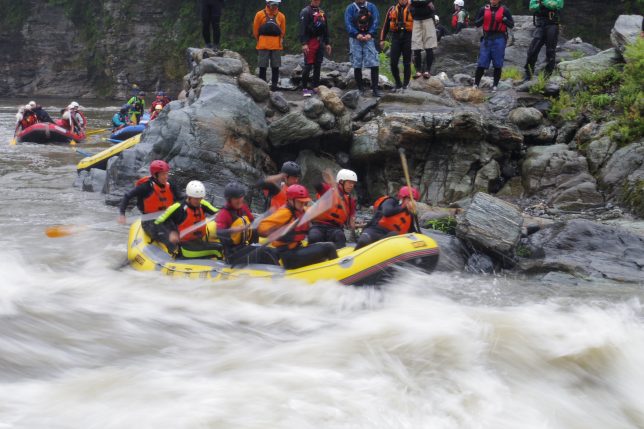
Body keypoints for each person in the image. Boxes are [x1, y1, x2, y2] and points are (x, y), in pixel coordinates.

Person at [258, 184, 338, 270]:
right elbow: (261, 227)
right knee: (329, 247)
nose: (303, 204)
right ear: (291, 200)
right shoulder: (285, 213)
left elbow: (317, 209)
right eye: (300, 201)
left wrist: (330, 196)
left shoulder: (302, 210)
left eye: (304, 201)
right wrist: (280, 229)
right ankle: (338, 273)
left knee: (317, 240)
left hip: (297, 249)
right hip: (288, 257)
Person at [118, 160, 181, 249]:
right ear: (155, 175)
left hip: (166, 218)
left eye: (167, 173)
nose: (166, 177)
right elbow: (127, 196)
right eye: (163, 174)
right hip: (150, 221)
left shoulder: (171, 185)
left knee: (182, 236)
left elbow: (181, 200)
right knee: (171, 240)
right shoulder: (145, 187)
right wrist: (122, 214)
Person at [215, 182, 280, 266]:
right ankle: (279, 277)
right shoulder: (224, 214)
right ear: (229, 200)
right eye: (236, 198)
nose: (240, 200)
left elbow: (253, 223)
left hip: (244, 247)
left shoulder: (243, 207)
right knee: (266, 254)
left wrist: (267, 217)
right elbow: (219, 232)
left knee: (274, 251)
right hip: (233, 255)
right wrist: (234, 230)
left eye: (241, 197)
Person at [155, 180, 223, 259]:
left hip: (198, 241)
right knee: (218, 249)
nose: (198, 201)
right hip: (184, 248)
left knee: (224, 245)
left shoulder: (202, 203)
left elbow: (218, 212)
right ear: (189, 197)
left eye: (200, 198)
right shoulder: (178, 207)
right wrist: (170, 233)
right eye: (196, 199)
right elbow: (158, 222)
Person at [355, 185, 419, 250]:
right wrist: (403, 206)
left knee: (394, 234)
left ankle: (378, 249)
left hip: (389, 236)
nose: (412, 202)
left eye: (414, 200)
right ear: (402, 198)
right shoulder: (390, 201)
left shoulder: (410, 215)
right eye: (409, 199)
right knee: (363, 241)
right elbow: (387, 212)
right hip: (374, 230)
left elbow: (412, 231)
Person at [309, 169, 358, 249]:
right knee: (314, 236)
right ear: (341, 182)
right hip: (319, 226)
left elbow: (351, 220)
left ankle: (337, 258)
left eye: (353, 183)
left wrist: (353, 227)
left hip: (335, 228)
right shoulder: (328, 189)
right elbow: (316, 184)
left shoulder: (350, 201)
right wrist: (328, 180)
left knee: (340, 236)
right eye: (349, 182)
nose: (352, 186)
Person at [473, 0, 514, 92]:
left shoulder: (505, 10)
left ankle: (495, 85)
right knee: (482, 62)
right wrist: (484, 17)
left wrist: (504, 19)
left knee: (498, 63)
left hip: (499, 38)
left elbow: (511, 25)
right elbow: (476, 23)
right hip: (487, 38)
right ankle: (476, 84)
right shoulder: (483, 9)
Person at [345, 0, 381, 97]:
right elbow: (348, 23)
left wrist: (370, 33)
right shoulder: (350, 8)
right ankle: (360, 89)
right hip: (355, 39)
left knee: (374, 63)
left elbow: (376, 20)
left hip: (369, 38)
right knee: (357, 64)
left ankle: (375, 89)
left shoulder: (372, 7)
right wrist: (356, 34)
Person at [523, 0, 563, 81]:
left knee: (550, 51)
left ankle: (546, 77)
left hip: (552, 24)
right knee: (532, 51)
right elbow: (531, 7)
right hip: (540, 25)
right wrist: (543, 5)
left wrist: (542, 2)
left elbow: (557, 5)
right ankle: (528, 75)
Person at [299, 0, 332, 97]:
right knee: (308, 65)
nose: (317, 1)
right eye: (315, 0)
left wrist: (327, 43)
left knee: (318, 64)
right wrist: (304, 43)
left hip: (320, 41)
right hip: (310, 42)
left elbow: (326, 29)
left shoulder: (321, 12)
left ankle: (315, 87)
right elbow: (302, 28)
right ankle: (304, 88)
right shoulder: (305, 11)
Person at [380, 0, 414, 92]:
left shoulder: (412, 7)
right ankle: (398, 83)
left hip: (408, 36)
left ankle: (406, 84)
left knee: (407, 62)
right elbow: (386, 25)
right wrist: (382, 39)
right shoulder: (392, 9)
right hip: (396, 36)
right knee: (393, 62)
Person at [253, 0, 286, 92]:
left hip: (276, 45)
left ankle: (274, 86)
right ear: (267, 4)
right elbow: (255, 31)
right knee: (262, 66)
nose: (275, 6)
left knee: (275, 66)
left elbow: (282, 32)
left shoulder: (281, 16)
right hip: (263, 45)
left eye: (276, 4)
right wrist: (260, 40)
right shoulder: (259, 14)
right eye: (273, 4)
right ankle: (262, 86)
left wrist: (280, 41)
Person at [409, 0, 437, 79]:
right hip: (416, 19)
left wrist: (416, 3)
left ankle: (428, 71)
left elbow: (414, 3)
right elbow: (411, 2)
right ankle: (418, 71)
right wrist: (426, 3)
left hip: (428, 19)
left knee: (429, 46)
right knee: (416, 46)